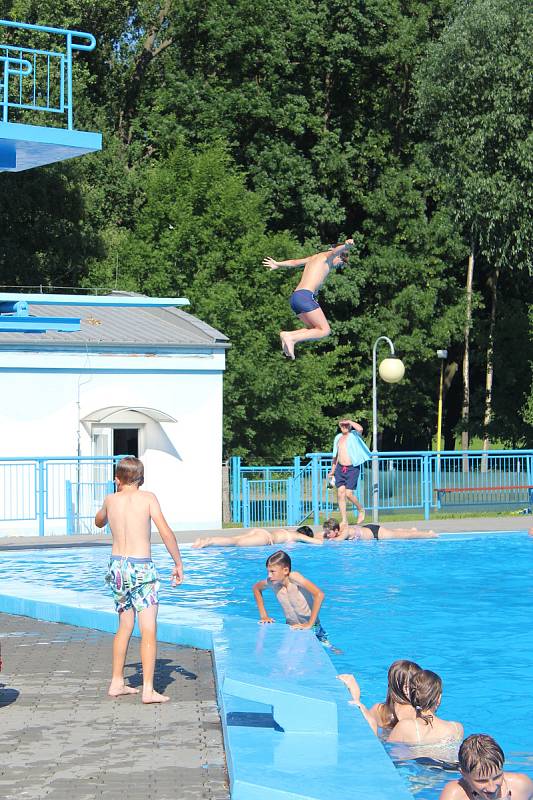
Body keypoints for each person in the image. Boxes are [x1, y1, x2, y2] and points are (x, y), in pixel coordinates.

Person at [95, 456, 184, 704]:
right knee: (148, 629)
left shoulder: (111, 500)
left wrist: (111, 502)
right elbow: (165, 531)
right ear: (141, 479)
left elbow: (98, 521)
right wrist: (178, 563)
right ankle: (147, 689)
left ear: (118, 479)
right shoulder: (148, 498)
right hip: (141, 568)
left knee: (124, 625)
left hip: (117, 568)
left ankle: (116, 682)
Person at [263, 238, 355, 359]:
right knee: (325, 330)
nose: (341, 264)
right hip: (305, 297)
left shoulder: (312, 258)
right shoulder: (326, 256)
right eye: (342, 260)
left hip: (296, 298)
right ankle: (291, 338)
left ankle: (287, 335)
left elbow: (295, 263)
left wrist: (277, 264)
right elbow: (334, 251)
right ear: (337, 254)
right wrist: (346, 246)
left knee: (314, 329)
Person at [252, 550, 331, 646]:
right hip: (291, 628)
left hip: (313, 627)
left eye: (272, 572)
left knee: (330, 651)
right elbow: (256, 588)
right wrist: (264, 616)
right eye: (268, 571)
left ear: (285, 570)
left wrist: (310, 624)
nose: (269, 575)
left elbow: (319, 594)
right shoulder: (272, 582)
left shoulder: (294, 578)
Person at [439, 733, 533, 800]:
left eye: (497, 777)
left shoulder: (521, 786)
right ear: (463, 774)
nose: (492, 788)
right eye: (482, 780)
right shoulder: (454, 795)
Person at [388, 669, 463, 746]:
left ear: (411, 695)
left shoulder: (405, 727)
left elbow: (390, 751)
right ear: (439, 698)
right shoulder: (456, 729)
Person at [328, 418, 370, 525]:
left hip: (352, 468)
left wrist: (349, 421)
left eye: (346, 426)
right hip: (340, 468)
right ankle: (344, 520)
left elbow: (360, 428)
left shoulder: (354, 435)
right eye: (342, 426)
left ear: (349, 426)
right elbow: (335, 456)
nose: (344, 427)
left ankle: (361, 509)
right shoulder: (338, 437)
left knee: (348, 494)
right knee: (340, 493)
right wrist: (332, 470)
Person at [192, 525, 322, 548]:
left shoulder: (289, 531)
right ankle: (208, 542)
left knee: (236, 539)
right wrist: (321, 537)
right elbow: (317, 542)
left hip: (259, 532)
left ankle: (204, 540)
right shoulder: (297, 535)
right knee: (235, 542)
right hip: (265, 538)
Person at [321, 517, 437, 541]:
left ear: (336, 531)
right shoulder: (339, 532)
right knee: (396, 532)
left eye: (328, 533)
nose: (327, 535)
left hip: (376, 533)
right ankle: (412, 529)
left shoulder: (344, 531)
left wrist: (327, 540)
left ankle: (429, 534)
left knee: (404, 537)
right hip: (367, 530)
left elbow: (338, 541)